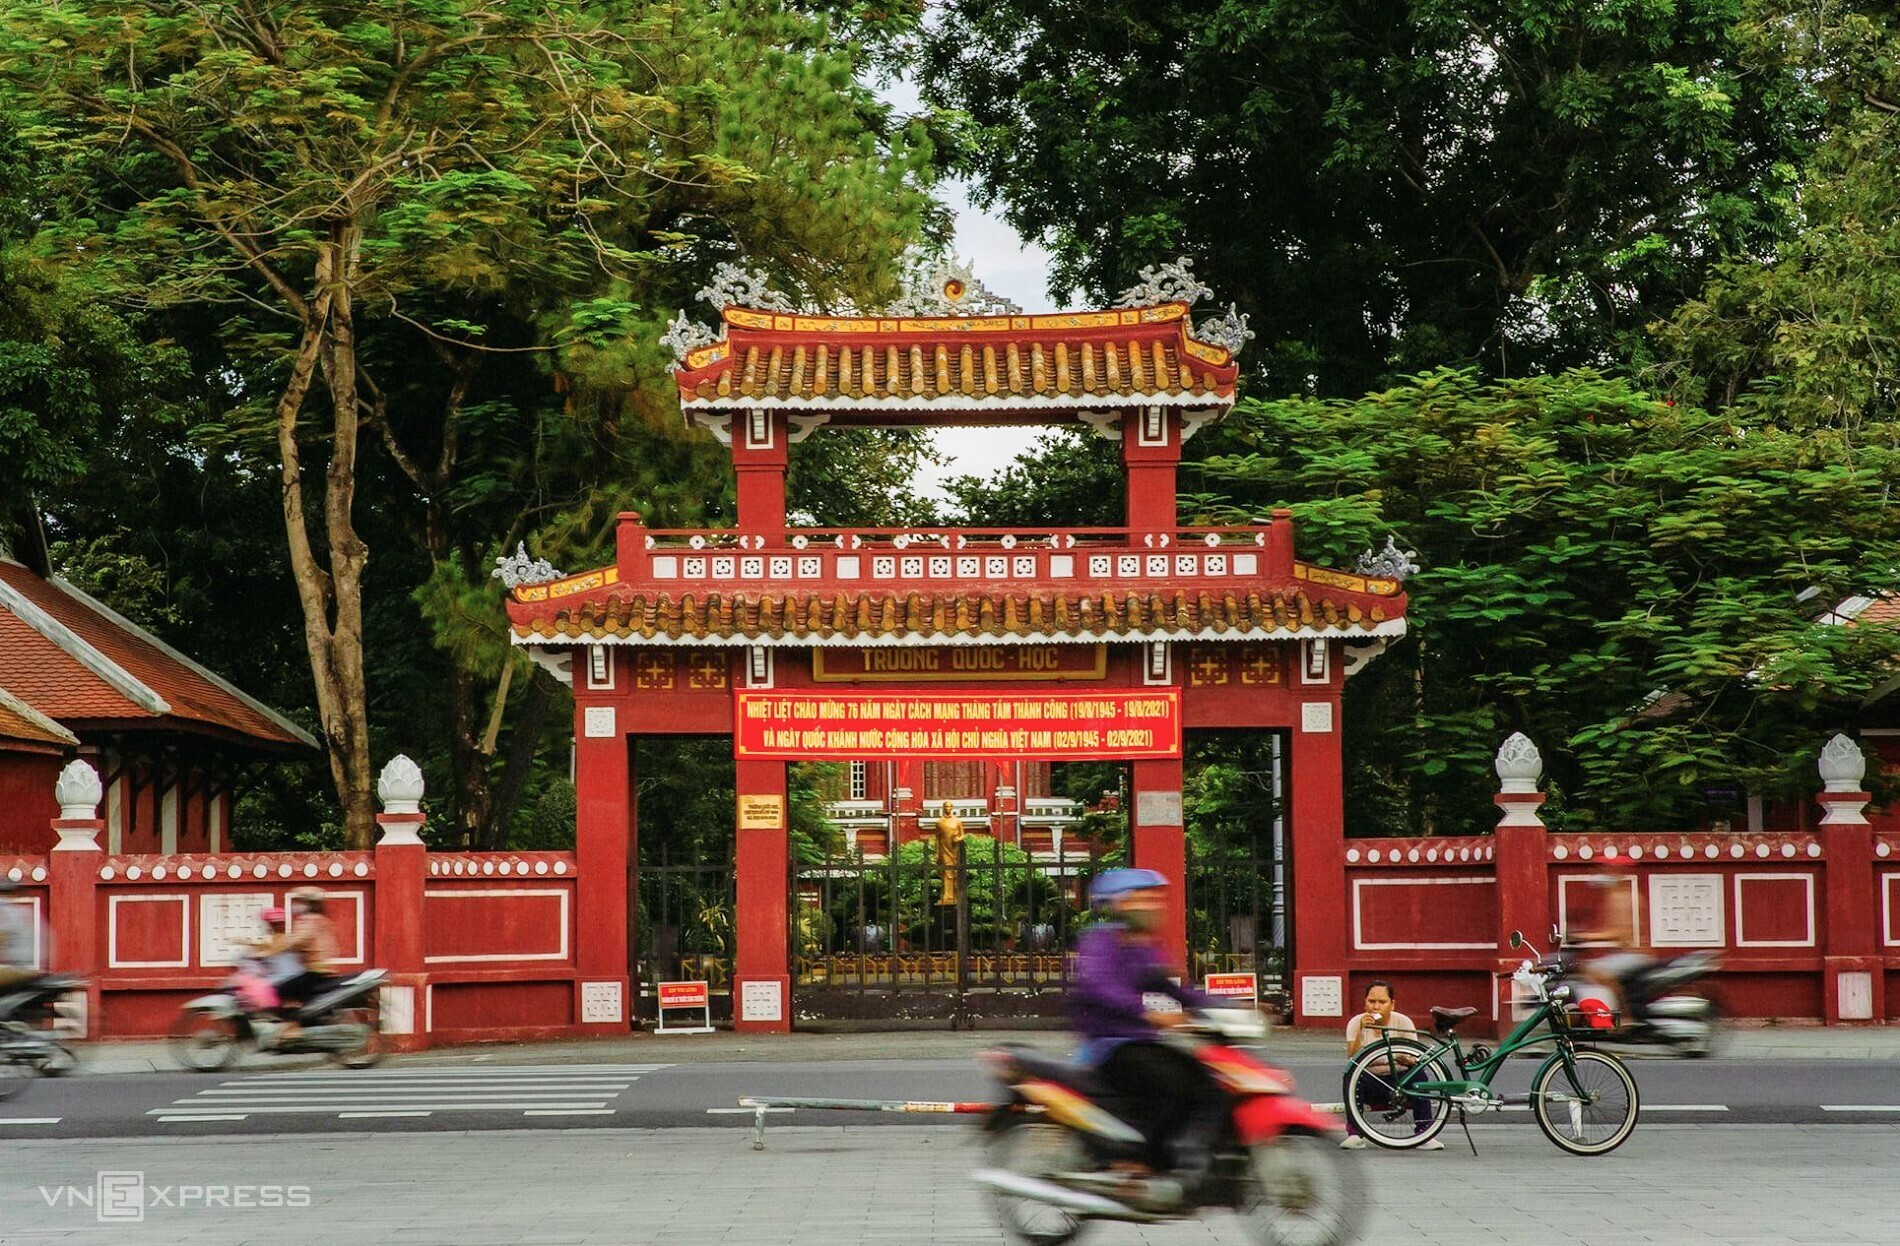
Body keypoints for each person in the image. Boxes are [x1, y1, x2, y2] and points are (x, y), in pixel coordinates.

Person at [1068, 868, 1224, 1209]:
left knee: (1206, 1078)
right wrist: (1147, 1012)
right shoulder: (1100, 941)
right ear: (1122, 903)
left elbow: (1172, 989)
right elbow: (1098, 987)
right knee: (1175, 1083)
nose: (1154, 905)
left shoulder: (1143, 947)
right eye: (1144, 897)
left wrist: (1224, 1008)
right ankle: (1140, 1163)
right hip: (1109, 1044)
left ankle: (1183, 1159)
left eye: (1156, 897)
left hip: (1139, 1040)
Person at [1339, 980, 1440, 1150]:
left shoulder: (1403, 1022)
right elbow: (1352, 1058)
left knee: (1419, 1074)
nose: (1376, 1007)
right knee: (1349, 1075)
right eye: (1371, 1001)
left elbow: (1415, 1058)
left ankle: (1424, 1133)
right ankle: (1355, 1134)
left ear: (1392, 1005)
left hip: (1399, 1081)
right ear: (1365, 1003)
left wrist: (1407, 1060)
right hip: (1371, 1081)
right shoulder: (1356, 1023)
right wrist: (1362, 1031)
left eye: (1382, 1002)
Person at [259, 888, 341, 1037]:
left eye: (298, 901)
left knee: (278, 990)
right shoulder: (322, 920)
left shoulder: (309, 921)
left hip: (313, 971)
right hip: (323, 969)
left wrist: (273, 950)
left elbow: (297, 940)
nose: (295, 905)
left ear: (308, 903)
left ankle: (293, 1029)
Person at [0, 877, 47, 993]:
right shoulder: (23, 911)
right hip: (30, 968)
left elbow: (2, 936)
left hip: (16, 968)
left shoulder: (6, 909)